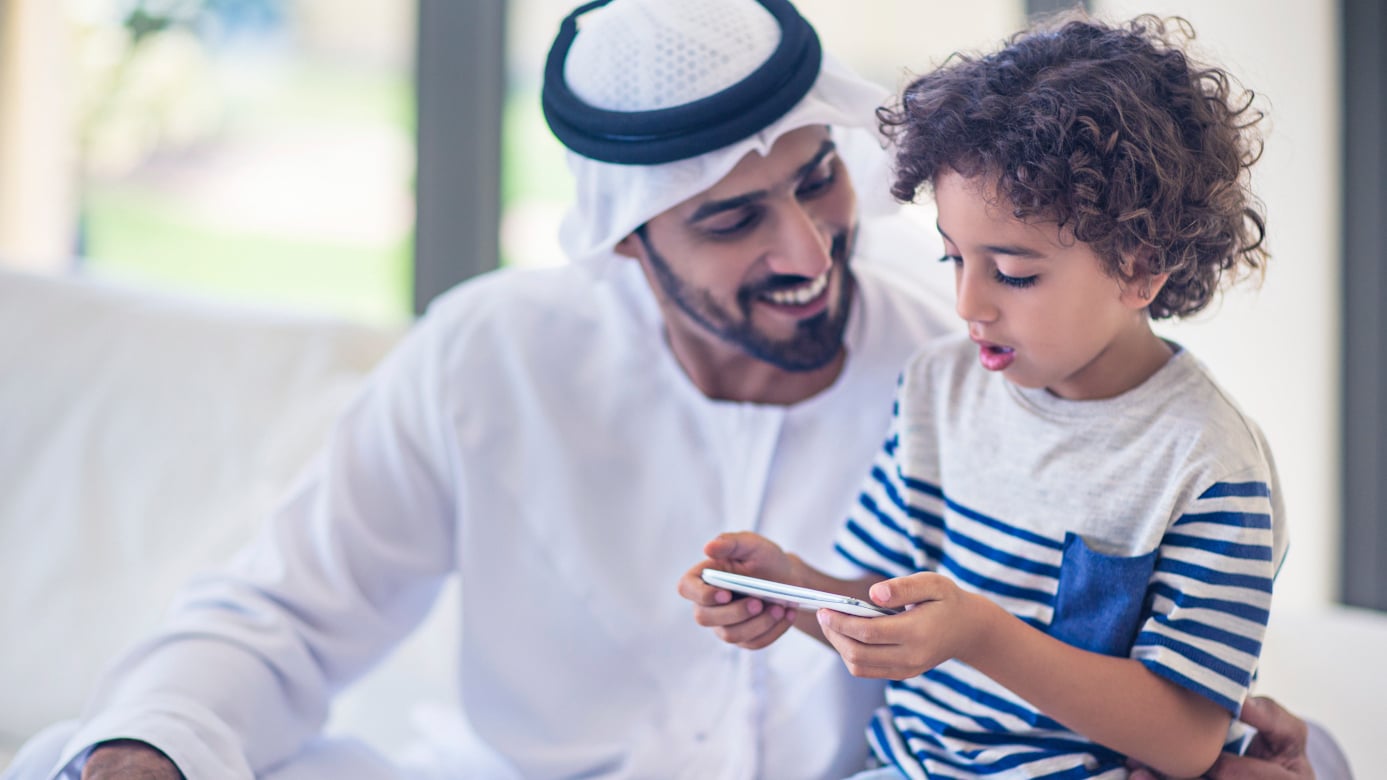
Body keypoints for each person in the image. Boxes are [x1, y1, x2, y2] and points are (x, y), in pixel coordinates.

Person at [0, 2, 1340, 779]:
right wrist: (143, 747)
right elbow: (283, 621)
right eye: (728, 222)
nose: (805, 252)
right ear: (628, 236)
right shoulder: (490, 359)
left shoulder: (968, 363)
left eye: (817, 179)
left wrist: (1255, 745)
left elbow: (1108, 668)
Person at [680, 13, 1307, 780]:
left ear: (1142, 268)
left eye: (1013, 273)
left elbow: (1185, 740)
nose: (969, 303)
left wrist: (979, 633)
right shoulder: (937, 390)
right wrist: (793, 589)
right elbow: (882, 605)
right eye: (952, 258)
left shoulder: (1208, 465)